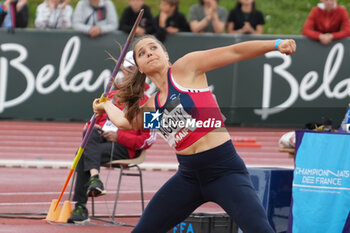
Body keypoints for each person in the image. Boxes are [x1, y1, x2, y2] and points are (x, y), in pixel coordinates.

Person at [93, 34, 296, 232]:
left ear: (166, 54)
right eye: (142, 53)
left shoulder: (186, 70)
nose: (149, 53)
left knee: (260, 229)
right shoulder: (152, 107)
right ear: (139, 67)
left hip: (225, 172)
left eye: (154, 48)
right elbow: (125, 122)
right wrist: (105, 107)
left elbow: (235, 51)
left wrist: (276, 44)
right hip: (188, 179)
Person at [67, 63, 156, 224]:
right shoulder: (112, 96)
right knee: (90, 134)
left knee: (83, 154)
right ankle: (94, 179)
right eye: (124, 69)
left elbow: (148, 140)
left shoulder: (149, 103)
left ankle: (81, 206)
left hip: (127, 149)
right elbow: (88, 125)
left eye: (130, 70)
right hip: (101, 142)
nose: (125, 73)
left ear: (140, 74)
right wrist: (95, 127)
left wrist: (118, 136)